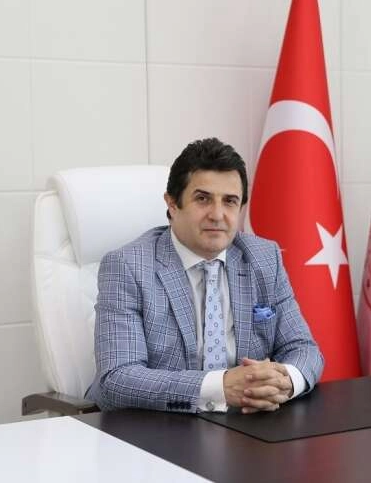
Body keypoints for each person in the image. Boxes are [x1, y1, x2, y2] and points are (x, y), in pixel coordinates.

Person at [87, 137, 323, 413]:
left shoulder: (263, 258)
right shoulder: (128, 266)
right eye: (203, 199)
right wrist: (219, 388)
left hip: (248, 421)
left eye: (230, 201)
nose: (218, 215)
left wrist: (284, 382)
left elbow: (304, 348)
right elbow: (118, 378)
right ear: (172, 204)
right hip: (156, 425)